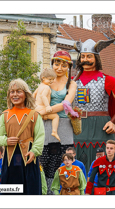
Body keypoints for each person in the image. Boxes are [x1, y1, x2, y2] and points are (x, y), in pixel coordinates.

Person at [73, 38, 115, 172]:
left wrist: (114, 122)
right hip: (78, 126)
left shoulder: (108, 80)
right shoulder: (72, 82)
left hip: (101, 125)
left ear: (96, 58)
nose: (85, 59)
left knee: (104, 164)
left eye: (89, 56)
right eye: (82, 56)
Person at [0, 78, 45, 195]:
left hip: (29, 156)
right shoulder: (5, 115)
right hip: (10, 157)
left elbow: (40, 136)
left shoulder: (34, 114)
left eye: (19, 91)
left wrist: (35, 151)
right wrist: (6, 140)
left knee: (30, 187)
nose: (15, 94)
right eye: (12, 92)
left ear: (25, 94)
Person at [38, 51, 77, 195]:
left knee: (63, 160)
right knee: (45, 159)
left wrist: (43, 111)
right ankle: (47, 191)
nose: (59, 68)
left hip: (63, 125)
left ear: (69, 66)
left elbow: (66, 104)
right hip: (45, 124)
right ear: (52, 64)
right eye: (57, 64)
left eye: (63, 65)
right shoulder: (46, 81)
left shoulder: (71, 83)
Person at [33, 68, 60, 141]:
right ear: (43, 78)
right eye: (50, 79)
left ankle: (44, 117)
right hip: (42, 108)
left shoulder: (40, 86)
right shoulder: (47, 87)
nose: (52, 81)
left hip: (37, 108)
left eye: (53, 79)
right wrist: (47, 106)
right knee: (55, 116)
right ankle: (54, 131)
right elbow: (43, 96)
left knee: (42, 118)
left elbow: (34, 94)